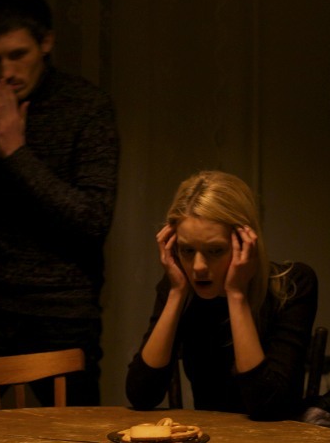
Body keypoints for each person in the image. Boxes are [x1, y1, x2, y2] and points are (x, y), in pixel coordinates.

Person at [0, 0, 119, 410]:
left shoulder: (87, 107)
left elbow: (93, 220)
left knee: (77, 442)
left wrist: (16, 152)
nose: (5, 72)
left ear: (46, 43)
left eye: (17, 55)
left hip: (63, 312)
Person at [125, 170, 318, 421]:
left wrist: (236, 295)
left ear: (245, 242)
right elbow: (141, 395)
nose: (198, 267)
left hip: (277, 441)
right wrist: (176, 293)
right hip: (209, 437)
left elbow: (268, 407)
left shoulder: (293, 283)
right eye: (187, 250)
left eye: (215, 250)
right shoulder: (181, 285)